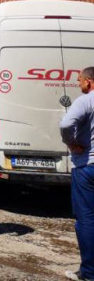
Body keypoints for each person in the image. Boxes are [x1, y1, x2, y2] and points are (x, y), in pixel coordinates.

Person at [60, 67, 94, 281]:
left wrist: (71, 142)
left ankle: (89, 273)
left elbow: (65, 123)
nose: (79, 84)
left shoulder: (86, 100)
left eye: (80, 80)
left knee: (87, 219)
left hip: (87, 166)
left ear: (89, 82)